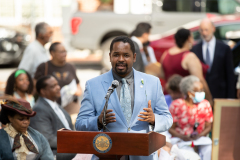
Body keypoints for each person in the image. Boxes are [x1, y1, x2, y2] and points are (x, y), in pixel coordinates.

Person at [75, 36, 173, 160]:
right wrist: (98, 121)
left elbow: (167, 119)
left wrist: (154, 119)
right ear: (110, 56)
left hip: (142, 155)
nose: (121, 59)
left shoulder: (152, 82)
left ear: (134, 57)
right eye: (116, 55)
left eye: (126, 55)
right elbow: (80, 123)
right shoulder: (93, 84)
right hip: (108, 155)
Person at [160, 28, 213, 105]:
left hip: (168, 98)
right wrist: (209, 99)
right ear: (189, 38)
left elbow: (162, 75)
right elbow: (200, 79)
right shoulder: (189, 57)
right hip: (184, 100)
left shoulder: (166, 54)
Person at [30, 75, 74, 159]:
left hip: (67, 148)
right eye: (53, 86)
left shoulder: (55, 105)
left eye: (57, 84)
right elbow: (47, 139)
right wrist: (74, 143)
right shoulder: (39, 109)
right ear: (43, 91)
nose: (58, 88)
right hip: (55, 153)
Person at [169, 75, 213, 160]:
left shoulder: (205, 104)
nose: (202, 93)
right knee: (190, 156)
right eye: (198, 91)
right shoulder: (176, 105)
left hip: (200, 139)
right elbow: (171, 129)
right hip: (182, 140)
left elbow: (208, 126)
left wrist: (199, 135)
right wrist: (182, 137)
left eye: (202, 90)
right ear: (189, 93)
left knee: (208, 149)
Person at [191, 18, 235, 99]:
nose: (204, 33)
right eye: (202, 30)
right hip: (201, 95)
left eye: (206, 30)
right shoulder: (195, 49)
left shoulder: (224, 48)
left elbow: (230, 74)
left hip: (221, 94)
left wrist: (231, 97)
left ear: (213, 29)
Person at [34, 42, 82, 114]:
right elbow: (35, 87)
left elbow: (79, 88)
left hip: (71, 108)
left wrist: (75, 91)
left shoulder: (70, 67)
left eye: (65, 51)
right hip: (51, 108)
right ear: (52, 53)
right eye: (61, 52)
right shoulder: (44, 67)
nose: (64, 54)